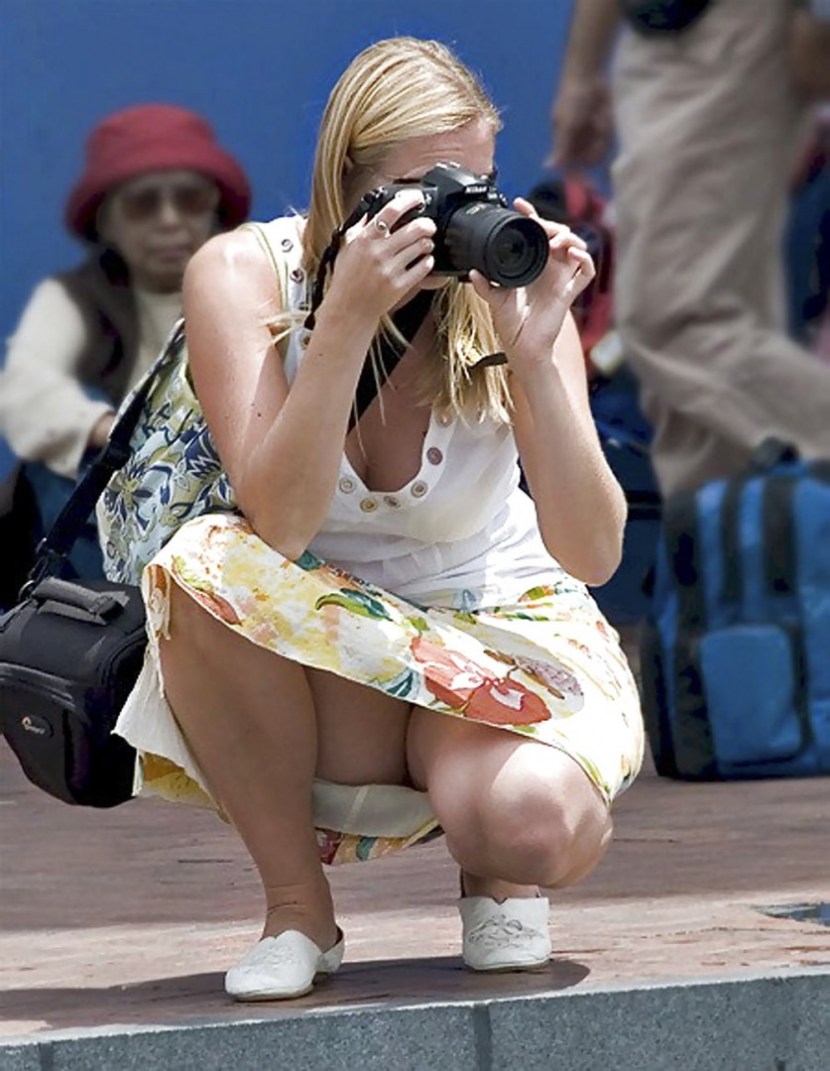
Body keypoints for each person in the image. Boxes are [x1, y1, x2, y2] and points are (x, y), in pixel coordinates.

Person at [97, 36, 644, 1002]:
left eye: (477, 186)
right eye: (430, 192)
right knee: (202, 564)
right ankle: (296, 910)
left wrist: (533, 359)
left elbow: (593, 553)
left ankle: (498, 871)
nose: (459, 218)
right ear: (346, 185)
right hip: (333, 665)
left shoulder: (508, 291)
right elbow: (277, 524)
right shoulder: (245, 273)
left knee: (532, 825)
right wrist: (345, 321)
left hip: (495, 636)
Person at [550, 0, 830, 496]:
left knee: (674, 322)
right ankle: (710, 539)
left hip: (731, 35)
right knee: (685, 401)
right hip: (663, 38)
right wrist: (582, 70)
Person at [0, 103, 251, 589]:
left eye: (190, 200)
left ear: (215, 212)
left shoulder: (255, 283)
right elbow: (25, 394)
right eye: (143, 204)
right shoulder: (75, 297)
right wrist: (113, 433)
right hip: (105, 513)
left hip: (218, 509)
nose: (169, 220)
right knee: (57, 470)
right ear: (107, 222)